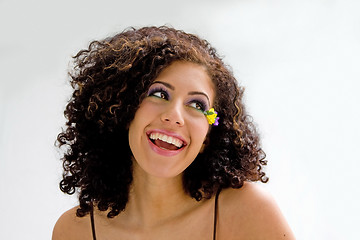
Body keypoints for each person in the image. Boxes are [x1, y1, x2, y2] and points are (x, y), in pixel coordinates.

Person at [52, 26, 295, 240]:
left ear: (208, 136)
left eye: (198, 105)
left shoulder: (246, 211)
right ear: (123, 112)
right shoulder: (76, 231)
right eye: (158, 94)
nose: (175, 116)